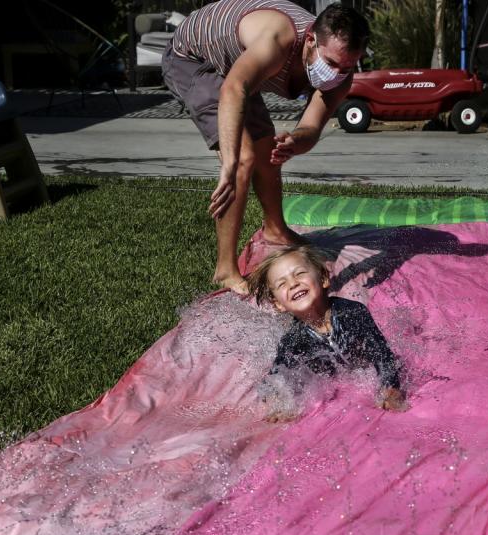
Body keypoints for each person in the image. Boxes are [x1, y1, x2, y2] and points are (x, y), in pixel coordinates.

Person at [163, 1, 369, 295]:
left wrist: (296, 141)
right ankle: (225, 270)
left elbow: (311, 128)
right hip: (193, 58)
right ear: (310, 39)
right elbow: (234, 88)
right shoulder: (277, 41)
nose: (337, 74)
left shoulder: (339, 76)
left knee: (268, 151)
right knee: (245, 158)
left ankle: (275, 229)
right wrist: (230, 161)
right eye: (333, 63)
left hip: (239, 68)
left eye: (348, 66)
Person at [246, 245, 406, 422]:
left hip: (363, 368)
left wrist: (391, 388)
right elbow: (278, 376)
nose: (293, 283)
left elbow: (382, 355)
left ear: (322, 278)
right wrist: (279, 404)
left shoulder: (352, 313)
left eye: (299, 274)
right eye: (282, 284)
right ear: (278, 304)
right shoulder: (293, 340)